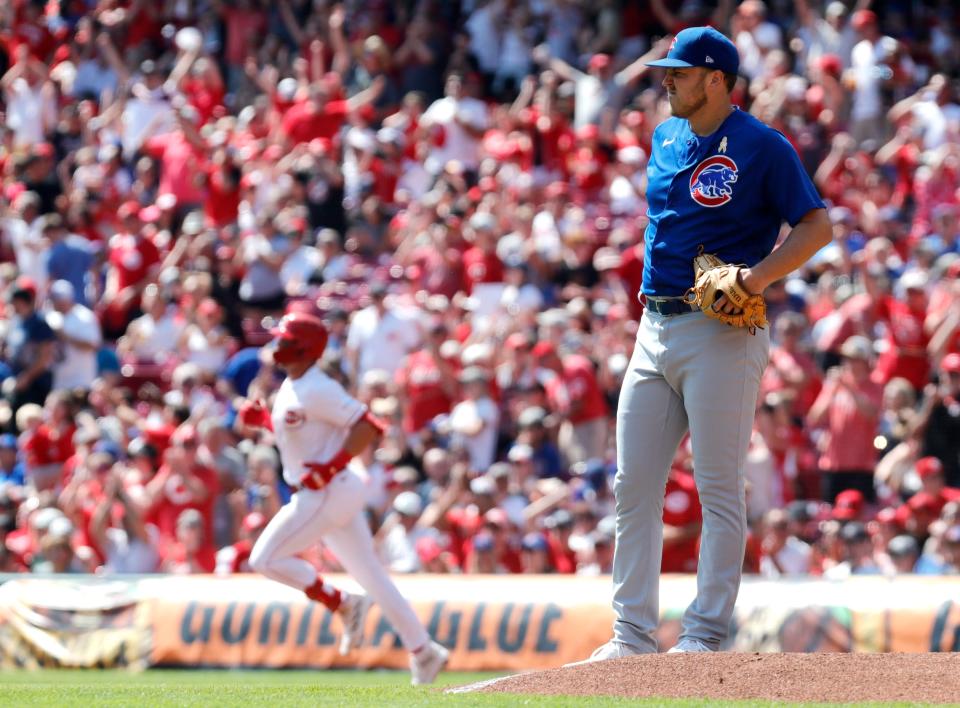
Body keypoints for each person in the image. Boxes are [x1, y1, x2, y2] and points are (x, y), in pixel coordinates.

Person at [573, 27, 831, 662]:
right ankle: (631, 638)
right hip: (652, 326)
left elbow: (817, 225)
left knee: (719, 488)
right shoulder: (665, 136)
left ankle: (703, 636)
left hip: (722, 330)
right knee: (633, 486)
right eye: (668, 71)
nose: (668, 80)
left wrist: (755, 275)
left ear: (717, 78)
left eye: (680, 73)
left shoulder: (762, 146)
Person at [237, 312, 447, 684]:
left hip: (325, 490)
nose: (277, 347)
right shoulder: (294, 383)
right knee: (371, 575)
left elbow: (369, 426)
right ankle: (423, 650)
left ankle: (340, 602)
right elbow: (304, 437)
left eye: (285, 342)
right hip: (333, 490)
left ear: (304, 349)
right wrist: (266, 424)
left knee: (265, 558)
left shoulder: (317, 386)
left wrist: (330, 467)